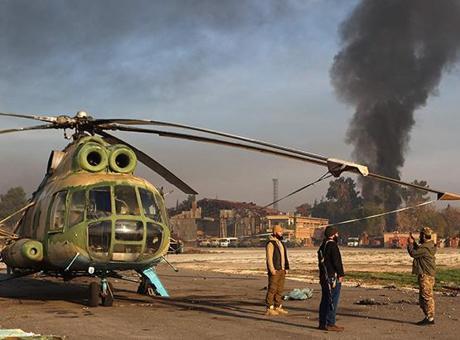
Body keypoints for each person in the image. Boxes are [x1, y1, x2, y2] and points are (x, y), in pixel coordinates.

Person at [407, 227, 436, 325]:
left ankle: (430, 318)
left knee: (427, 297)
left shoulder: (426, 247)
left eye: (420, 235)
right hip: (426, 274)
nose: (419, 236)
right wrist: (414, 242)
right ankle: (428, 317)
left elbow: (414, 253)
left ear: (424, 235)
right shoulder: (428, 245)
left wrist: (410, 243)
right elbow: (419, 250)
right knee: (422, 298)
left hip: (426, 276)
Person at [317, 226, 345, 332]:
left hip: (324, 276)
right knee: (332, 300)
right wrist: (341, 274)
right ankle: (330, 323)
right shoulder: (333, 245)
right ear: (333, 235)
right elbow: (337, 262)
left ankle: (322, 322)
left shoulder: (322, 245)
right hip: (332, 277)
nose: (338, 235)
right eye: (336, 234)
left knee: (325, 300)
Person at [265, 224, 290, 316]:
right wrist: (272, 269)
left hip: (282, 269)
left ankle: (278, 306)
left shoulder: (281, 243)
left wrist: (286, 267)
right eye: (280, 232)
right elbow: (269, 258)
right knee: (272, 289)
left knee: (280, 289)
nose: (281, 233)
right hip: (275, 270)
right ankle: (269, 307)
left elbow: (284, 257)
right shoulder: (271, 243)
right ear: (275, 232)